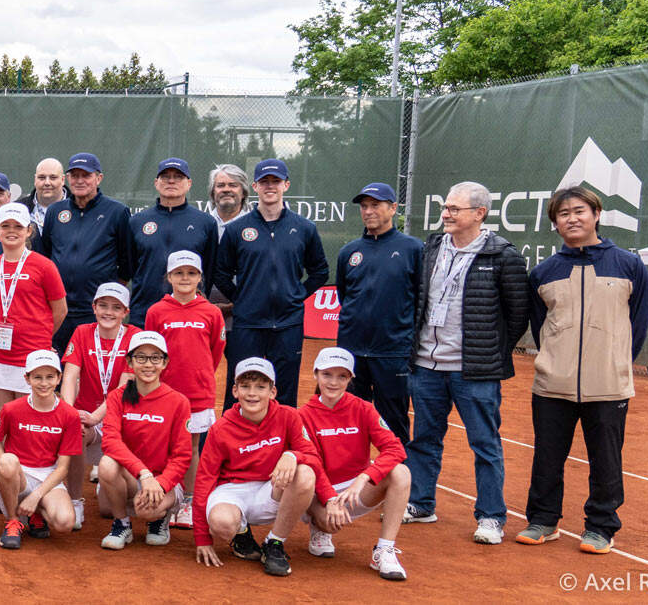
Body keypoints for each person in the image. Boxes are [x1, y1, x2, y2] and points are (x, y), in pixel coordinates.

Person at [519, 186, 648, 555]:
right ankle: (543, 520)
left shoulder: (628, 265)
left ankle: (601, 527)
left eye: (579, 211)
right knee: (547, 455)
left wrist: (614, 361)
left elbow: (638, 324)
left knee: (606, 459)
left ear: (596, 214)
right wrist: (555, 360)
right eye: (563, 214)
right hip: (552, 385)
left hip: (608, 385)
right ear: (554, 223)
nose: (572, 218)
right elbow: (540, 324)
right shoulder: (544, 272)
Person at [404, 181, 528, 544]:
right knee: (424, 440)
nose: (446, 214)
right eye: (445, 207)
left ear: (479, 213)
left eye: (455, 209)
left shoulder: (502, 255)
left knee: (484, 444)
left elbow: (517, 314)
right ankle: (421, 503)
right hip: (426, 365)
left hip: (474, 372)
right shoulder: (430, 248)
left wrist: (489, 352)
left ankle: (491, 516)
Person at [191, 358, 325, 577]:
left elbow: (313, 457)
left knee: (305, 473)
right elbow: (205, 479)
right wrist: (203, 538)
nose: (252, 393)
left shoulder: (289, 416)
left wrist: (292, 454)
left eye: (261, 387)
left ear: (273, 392)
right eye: (245, 386)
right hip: (232, 490)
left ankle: (274, 543)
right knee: (222, 523)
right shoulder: (221, 429)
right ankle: (240, 534)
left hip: (269, 488)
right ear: (235, 391)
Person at [213, 159, 327, 407]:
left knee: (284, 391)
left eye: (275, 181)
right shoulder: (237, 229)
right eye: (264, 181)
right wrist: (242, 298)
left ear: (286, 184)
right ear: (254, 186)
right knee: (240, 387)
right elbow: (220, 272)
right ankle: (234, 443)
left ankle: (282, 444)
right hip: (248, 324)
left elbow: (320, 271)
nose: (270, 186)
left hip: (289, 323)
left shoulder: (304, 228)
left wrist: (296, 295)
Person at [299, 347, 412, 580]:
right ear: (316, 374)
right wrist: (327, 499)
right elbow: (311, 463)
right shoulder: (302, 415)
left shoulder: (364, 408)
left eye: (342, 376)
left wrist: (364, 477)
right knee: (301, 474)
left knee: (401, 473)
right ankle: (318, 527)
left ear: (350, 379)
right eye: (327, 374)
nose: (333, 382)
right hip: (319, 493)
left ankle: (384, 550)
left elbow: (395, 449)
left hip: (353, 492)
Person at [334, 183, 422, 443]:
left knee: (393, 423)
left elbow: (420, 298)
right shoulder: (349, 252)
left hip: (392, 352)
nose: (368, 211)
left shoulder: (413, 249)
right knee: (350, 422)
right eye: (364, 206)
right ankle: (352, 479)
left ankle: (396, 479)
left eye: (376, 205)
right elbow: (344, 295)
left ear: (393, 208)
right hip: (352, 352)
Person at [144, 250, 224, 530]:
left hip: (198, 394)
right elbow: (151, 351)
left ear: (200, 278)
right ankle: (164, 496)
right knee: (162, 447)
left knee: (190, 448)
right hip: (163, 392)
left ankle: (188, 500)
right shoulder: (156, 311)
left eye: (191, 273)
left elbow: (215, 351)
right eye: (179, 273)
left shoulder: (212, 312)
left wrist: (199, 376)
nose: (185, 278)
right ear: (169, 277)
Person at [95, 332, 189, 550]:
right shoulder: (118, 396)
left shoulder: (178, 401)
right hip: (134, 474)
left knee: (147, 511)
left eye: (155, 358)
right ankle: (122, 524)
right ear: (130, 362)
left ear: (164, 362)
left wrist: (160, 483)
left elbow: (182, 456)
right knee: (107, 464)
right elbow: (110, 441)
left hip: (165, 480)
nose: (148, 364)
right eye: (141, 357)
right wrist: (144, 474)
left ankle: (159, 519)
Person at [59, 282, 140, 525]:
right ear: (93, 307)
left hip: (119, 420)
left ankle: (107, 485)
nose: (108, 312)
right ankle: (74, 500)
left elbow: (123, 387)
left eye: (116, 307)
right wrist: (69, 411)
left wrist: (97, 416)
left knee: (107, 510)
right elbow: (70, 376)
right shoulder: (82, 332)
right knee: (76, 429)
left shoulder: (135, 336)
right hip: (87, 419)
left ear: (125, 312)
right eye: (103, 305)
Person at [36, 152, 134, 350]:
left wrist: (107, 296)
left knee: (93, 369)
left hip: (96, 311)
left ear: (99, 178)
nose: (80, 181)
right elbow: (45, 258)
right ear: (68, 178)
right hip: (58, 309)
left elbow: (127, 262)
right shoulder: (55, 211)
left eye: (86, 175)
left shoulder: (116, 212)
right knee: (55, 370)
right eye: (75, 175)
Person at [0, 349, 80, 550]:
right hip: (17, 472)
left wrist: (37, 495)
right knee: (7, 462)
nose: (44, 383)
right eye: (37, 377)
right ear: (27, 379)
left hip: (48, 475)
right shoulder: (11, 409)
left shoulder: (69, 415)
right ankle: (13, 521)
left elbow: (63, 468)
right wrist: (3, 462)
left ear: (59, 378)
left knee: (65, 523)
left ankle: (36, 512)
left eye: (50, 377)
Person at [0, 204, 67, 414]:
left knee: (29, 420)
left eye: (18, 227)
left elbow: (60, 310)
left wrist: (41, 338)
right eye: (6, 226)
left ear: (28, 230)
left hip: (32, 355)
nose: (11, 231)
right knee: (4, 418)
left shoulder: (44, 266)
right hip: (0, 354)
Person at [127, 158, 216, 326]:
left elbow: (209, 270)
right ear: (156, 183)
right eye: (165, 176)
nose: (172, 181)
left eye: (178, 177)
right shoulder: (137, 221)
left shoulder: (205, 222)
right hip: (145, 312)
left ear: (189, 183)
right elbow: (131, 266)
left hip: (189, 316)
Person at [205, 165, 253, 309]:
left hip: (247, 310)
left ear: (243, 192)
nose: (226, 189)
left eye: (233, 185)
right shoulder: (201, 226)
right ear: (213, 192)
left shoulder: (256, 228)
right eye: (220, 185)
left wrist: (235, 305)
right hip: (203, 312)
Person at [22, 158, 66, 225]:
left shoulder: (78, 207)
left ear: (62, 180)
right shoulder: (20, 208)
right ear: (35, 180)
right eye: (41, 177)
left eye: (53, 177)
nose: (47, 183)